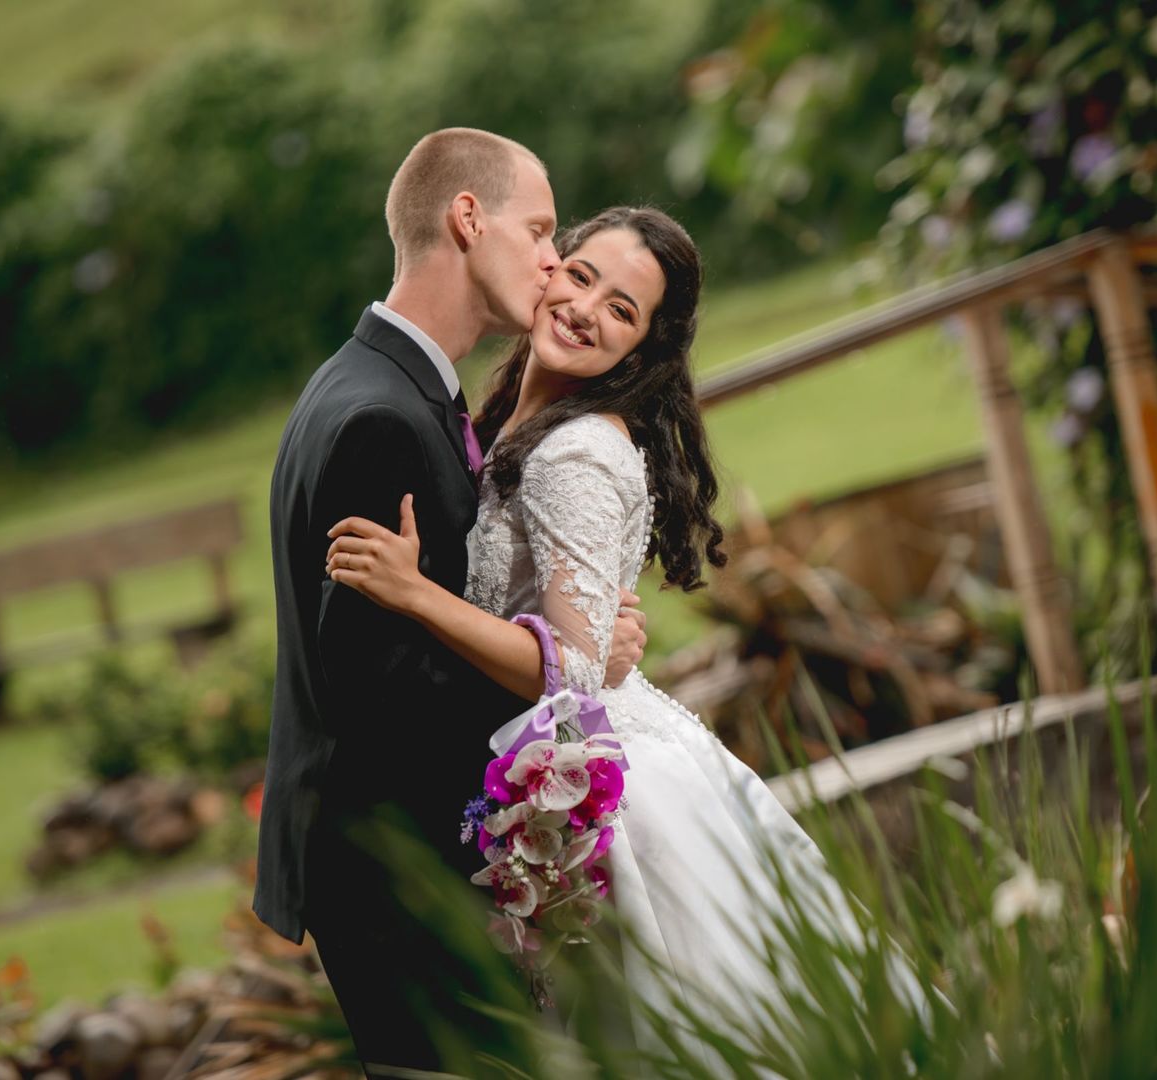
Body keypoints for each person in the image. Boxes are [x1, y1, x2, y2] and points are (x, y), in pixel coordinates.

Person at [326, 206, 909, 1058]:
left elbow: (569, 672)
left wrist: (416, 595)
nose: (586, 310)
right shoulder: (508, 425)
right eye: (582, 276)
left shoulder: (577, 454)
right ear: (550, 269)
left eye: (623, 311)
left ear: (640, 351)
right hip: (576, 758)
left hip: (611, 797)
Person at [252, 129, 649, 1078]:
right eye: (542, 228)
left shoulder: (382, 386)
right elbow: (385, 696)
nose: (555, 261)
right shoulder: (382, 419)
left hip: (393, 863)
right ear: (467, 218)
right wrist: (570, 672)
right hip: (400, 871)